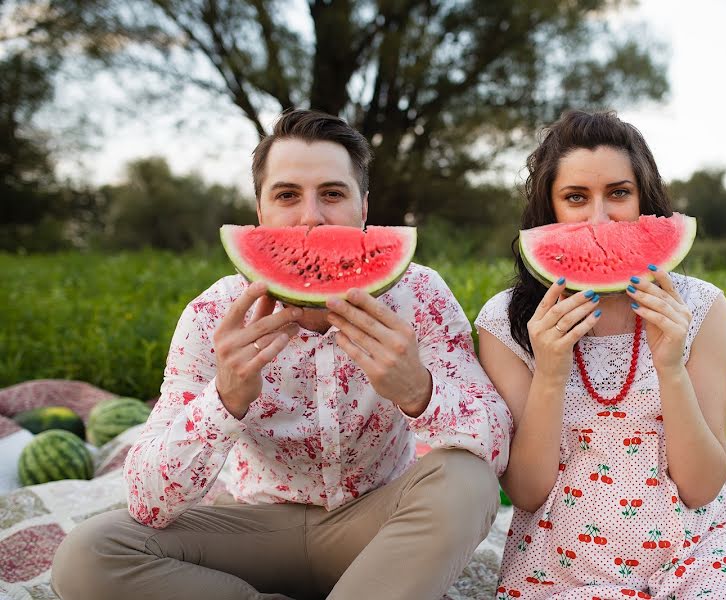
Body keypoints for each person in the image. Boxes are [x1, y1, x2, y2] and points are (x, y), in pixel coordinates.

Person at [51, 108, 513, 600]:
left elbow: (495, 441)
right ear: (260, 213)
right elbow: (147, 500)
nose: (311, 218)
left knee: (467, 478)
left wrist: (419, 393)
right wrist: (224, 399)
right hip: (256, 530)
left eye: (332, 194)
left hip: (381, 529)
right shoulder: (214, 315)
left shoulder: (418, 296)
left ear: (363, 208)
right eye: (287, 195)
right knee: (88, 554)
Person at [474, 110, 726, 599]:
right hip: (564, 558)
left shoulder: (700, 306)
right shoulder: (506, 321)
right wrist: (550, 373)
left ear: (645, 202)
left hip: (694, 548)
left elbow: (700, 487)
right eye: (575, 198)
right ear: (547, 212)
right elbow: (526, 492)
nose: (599, 219)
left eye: (619, 193)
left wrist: (670, 367)